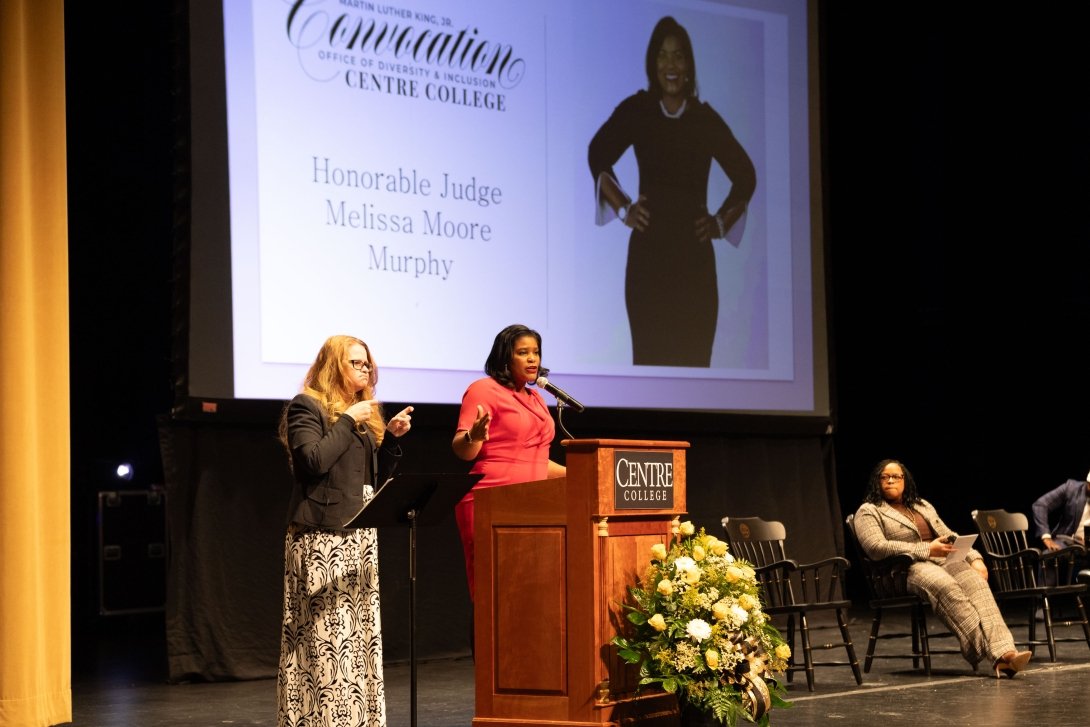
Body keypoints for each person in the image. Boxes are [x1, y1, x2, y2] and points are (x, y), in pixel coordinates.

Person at [587, 15, 756, 368]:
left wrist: (720, 224)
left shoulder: (705, 120)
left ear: (690, 65)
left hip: (695, 265)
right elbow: (597, 152)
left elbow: (745, 175)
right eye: (663, 56)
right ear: (653, 63)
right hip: (648, 262)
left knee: (694, 364)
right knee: (649, 362)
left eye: (679, 56)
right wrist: (623, 208)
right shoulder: (639, 111)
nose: (671, 65)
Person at [276, 335, 414, 727]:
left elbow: (372, 480)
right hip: (322, 538)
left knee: (358, 638)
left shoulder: (365, 419)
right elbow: (313, 462)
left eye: (368, 364)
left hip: (359, 535)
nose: (366, 370)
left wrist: (390, 440)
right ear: (334, 365)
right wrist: (349, 419)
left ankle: (358, 719)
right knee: (325, 636)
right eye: (356, 363)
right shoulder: (308, 408)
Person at [853, 459, 1032, 678]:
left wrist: (975, 558)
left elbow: (949, 534)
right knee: (947, 586)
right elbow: (876, 548)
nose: (891, 480)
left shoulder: (921, 505)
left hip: (941, 561)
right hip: (903, 570)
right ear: (877, 482)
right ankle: (997, 654)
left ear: (905, 481)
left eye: (896, 476)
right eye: (884, 476)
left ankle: (1007, 652)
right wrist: (927, 549)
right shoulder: (869, 511)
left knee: (976, 583)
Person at [451, 324, 566, 598]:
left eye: (536, 352)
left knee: (526, 594)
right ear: (505, 357)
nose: (532, 359)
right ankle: (482, 643)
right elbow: (462, 450)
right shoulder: (483, 390)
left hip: (536, 503)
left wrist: (583, 473)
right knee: (494, 591)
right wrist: (473, 436)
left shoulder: (536, 397)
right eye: (523, 352)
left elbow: (535, 460)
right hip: (491, 500)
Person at [1032, 472, 1090, 550]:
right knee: (1050, 554)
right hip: (1068, 543)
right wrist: (1046, 537)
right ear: (1087, 482)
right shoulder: (1072, 488)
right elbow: (1040, 505)